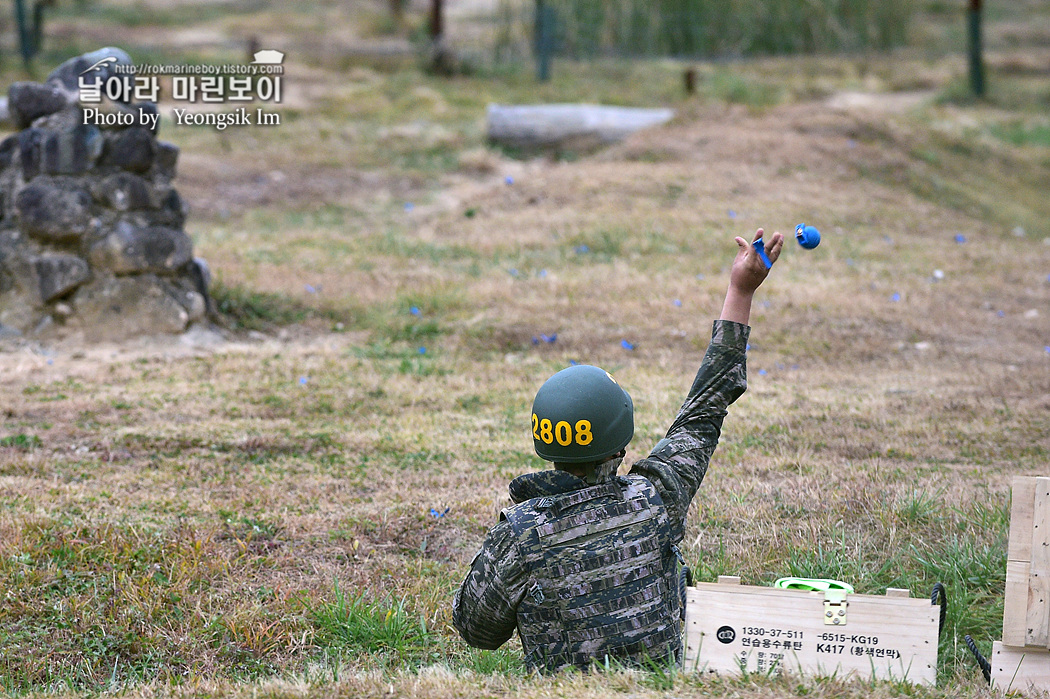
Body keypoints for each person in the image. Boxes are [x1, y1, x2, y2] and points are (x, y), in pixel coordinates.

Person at [452, 229, 784, 672]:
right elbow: (708, 402)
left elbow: (477, 631)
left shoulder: (519, 533)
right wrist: (740, 290)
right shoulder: (658, 497)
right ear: (621, 439)